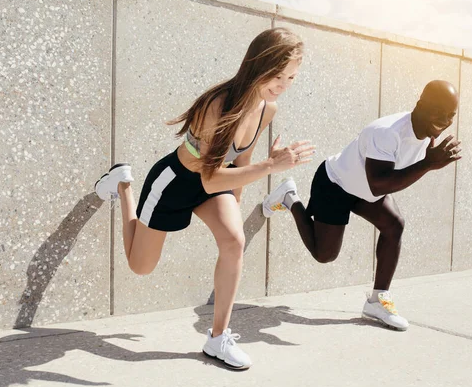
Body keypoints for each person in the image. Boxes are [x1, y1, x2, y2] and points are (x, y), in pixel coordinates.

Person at [94, 28, 315, 369]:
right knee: (140, 266)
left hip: (216, 182)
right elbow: (209, 177)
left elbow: (241, 158)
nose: (283, 84)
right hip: (175, 183)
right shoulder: (217, 105)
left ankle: (217, 337)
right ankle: (123, 183)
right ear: (257, 65)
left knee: (234, 241)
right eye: (277, 75)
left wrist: (237, 203)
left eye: (292, 77)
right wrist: (271, 165)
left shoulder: (267, 107)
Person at [262, 80, 461, 331]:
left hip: (364, 188)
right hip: (335, 183)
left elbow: (382, 182)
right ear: (420, 104)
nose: (444, 120)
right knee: (324, 255)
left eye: (450, 115)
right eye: (439, 111)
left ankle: (378, 300)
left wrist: (429, 161)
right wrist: (428, 164)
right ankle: (290, 197)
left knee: (394, 225)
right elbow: (378, 184)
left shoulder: (428, 133)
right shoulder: (386, 132)